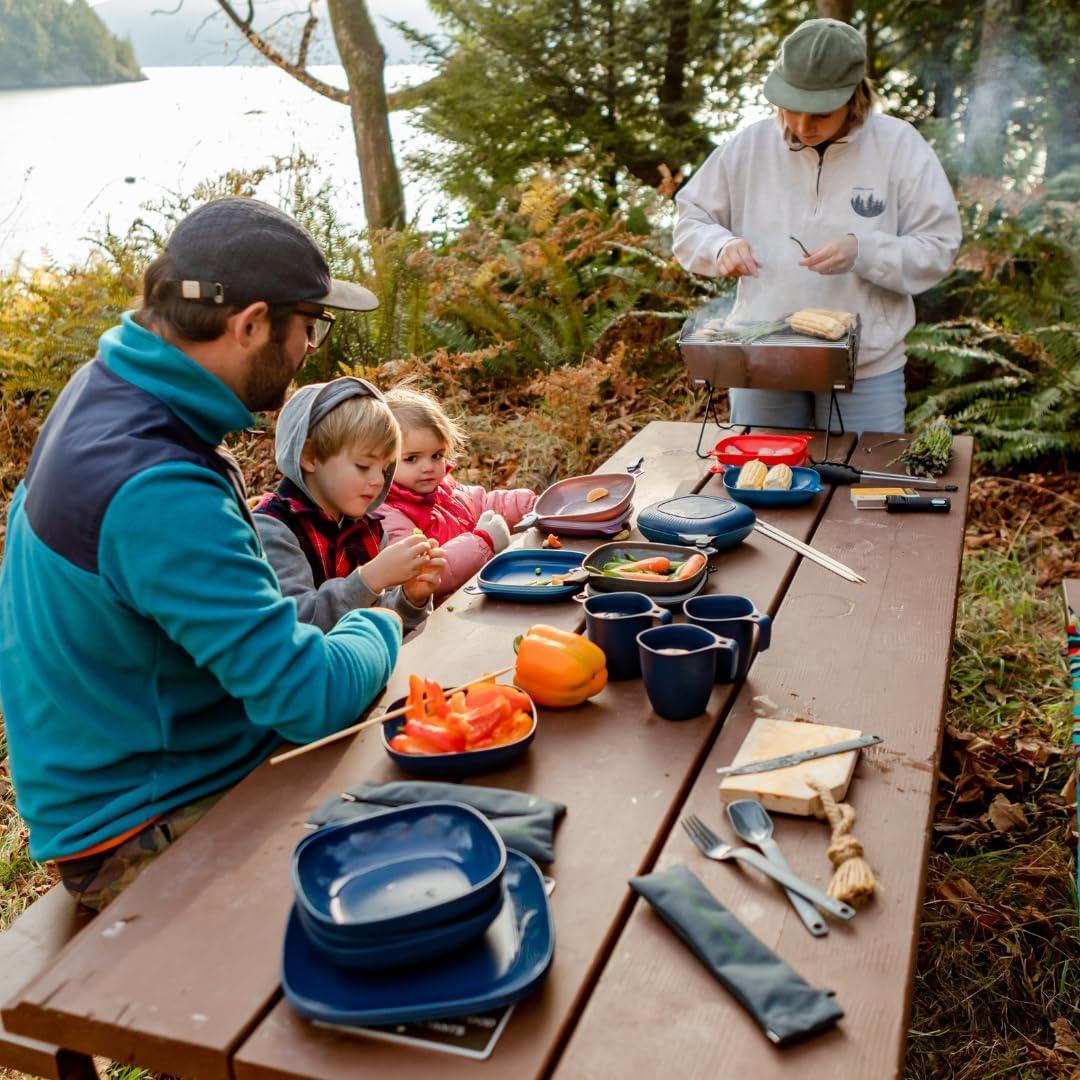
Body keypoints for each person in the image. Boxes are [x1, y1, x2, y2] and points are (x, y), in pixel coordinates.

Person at [0, 197, 405, 911]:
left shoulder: (109, 390)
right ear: (250, 325)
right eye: (308, 328)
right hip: (144, 823)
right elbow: (308, 698)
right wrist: (380, 622)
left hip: (153, 764)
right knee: (418, 863)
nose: (311, 348)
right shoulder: (155, 482)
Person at [673, 18, 962, 435]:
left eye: (821, 115)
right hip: (762, 359)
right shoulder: (749, 147)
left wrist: (865, 250)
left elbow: (938, 247)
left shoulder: (899, 146)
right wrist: (720, 246)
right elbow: (689, 223)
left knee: (859, 495)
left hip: (866, 371)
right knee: (763, 492)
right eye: (792, 109)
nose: (802, 127)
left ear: (854, 96)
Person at [252, 377, 446, 632]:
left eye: (386, 468)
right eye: (363, 466)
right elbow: (298, 624)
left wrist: (411, 598)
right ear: (310, 457)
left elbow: (381, 626)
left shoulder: (369, 529)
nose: (378, 481)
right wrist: (371, 578)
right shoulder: (273, 529)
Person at [379, 386, 537, 599]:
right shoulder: (388, 516)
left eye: (436, 455)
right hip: (443, 616)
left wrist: (531, 505)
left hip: (478, 591)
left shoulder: (444, 488)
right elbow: (425, 574)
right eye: (412, 458)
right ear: (382, 462)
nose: (428, 467)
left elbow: (484, 504)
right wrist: (483, 542)